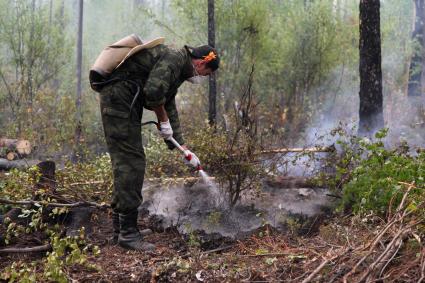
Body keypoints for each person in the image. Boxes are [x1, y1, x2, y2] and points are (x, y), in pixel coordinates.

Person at [98, 43, 220, 251]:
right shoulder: (174, 59)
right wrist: (162, 120)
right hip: (119, 102)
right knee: (131, 163)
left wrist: (182, 146)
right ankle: (128, 234)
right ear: (201, 63)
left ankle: (121, 229)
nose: (201, 77)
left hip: (124, 103)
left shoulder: (179, 66)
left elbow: (167, 100)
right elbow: (153, 92)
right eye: (205, 74)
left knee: (128, 162)